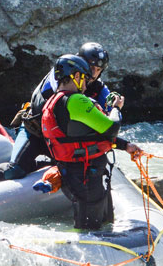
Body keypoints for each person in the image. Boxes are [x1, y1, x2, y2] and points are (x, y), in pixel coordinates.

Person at [40, 54, 141, 230]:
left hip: (76, 171)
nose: (86, 84)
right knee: (91, 227)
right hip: (87, 173)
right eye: (84, 79)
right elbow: (111, 127)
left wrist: (125, 145)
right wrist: (116, 108)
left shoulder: (53, 101)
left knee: (102, 222)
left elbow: (86, 137)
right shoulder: (76, 100)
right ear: (76, 76)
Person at [4, 41, 123, 180]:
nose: (93, 73)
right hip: (36, 132)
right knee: (14, 171)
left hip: (64, 140)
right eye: (90, 66)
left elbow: (109, 121)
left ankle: (51, 165)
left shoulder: (100, 89)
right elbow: (58, 102)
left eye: (98, 69)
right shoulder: (61, 76)